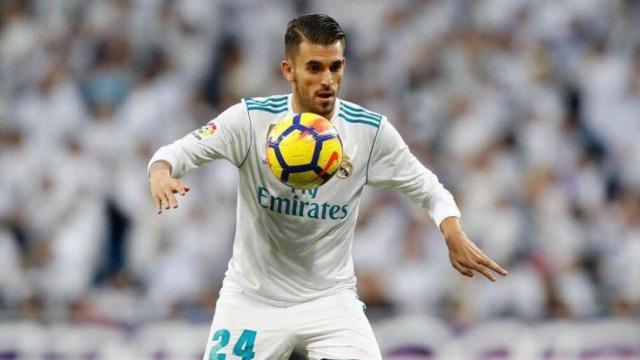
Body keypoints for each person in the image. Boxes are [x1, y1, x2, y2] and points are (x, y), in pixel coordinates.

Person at [148, 13, 507, 360]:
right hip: (252, 300)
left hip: (329, 302)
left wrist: (452, 230)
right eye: (314, 68)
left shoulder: (369, 131)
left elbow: (428, 187)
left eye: (335, 67)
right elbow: (176, 152)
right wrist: (161, 173)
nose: (328, 80)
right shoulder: (251, 120)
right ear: (288, 70)